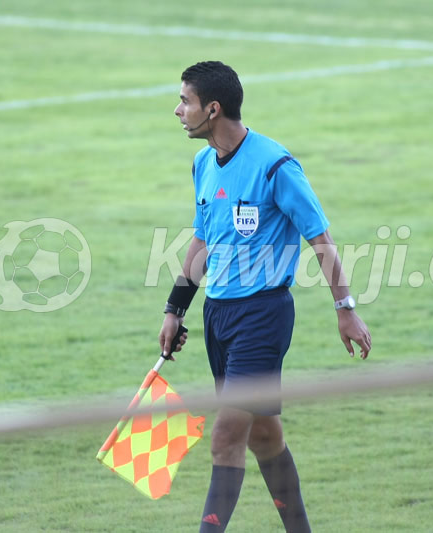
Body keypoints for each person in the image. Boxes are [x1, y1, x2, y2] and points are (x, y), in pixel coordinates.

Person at [158, 61, 371, 533]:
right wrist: (176, 308)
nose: (177, 111)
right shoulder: (202, 163)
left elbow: (321, 240)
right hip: (219, 316)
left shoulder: (276, 166)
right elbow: (203, 240)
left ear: (212, 109)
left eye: (185, 101)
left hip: (262, 316)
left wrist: (345, 310)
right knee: (263, 435)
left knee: (225, 436)